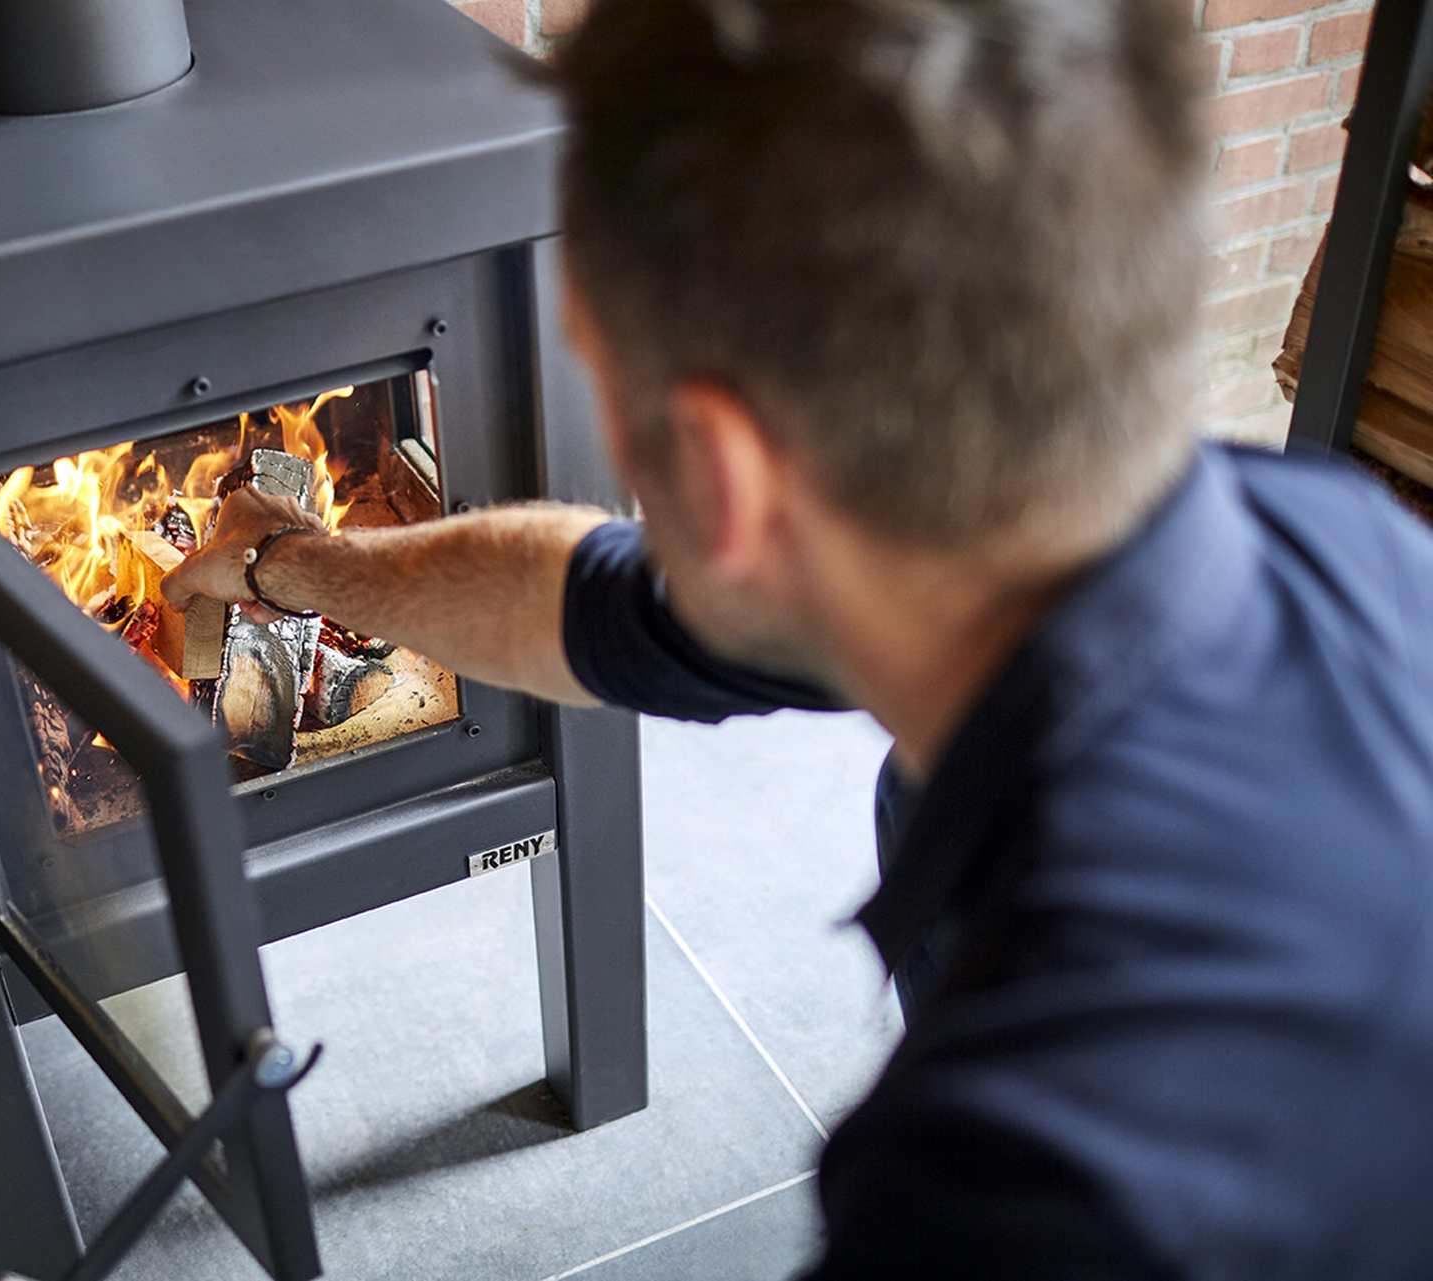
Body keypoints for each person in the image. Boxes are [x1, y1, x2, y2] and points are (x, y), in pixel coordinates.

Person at [162, 0, 1433, 1274]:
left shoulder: (1021, 1187)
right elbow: (589, 601)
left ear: (721, 476)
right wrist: (291, 563)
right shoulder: (1331, 533)